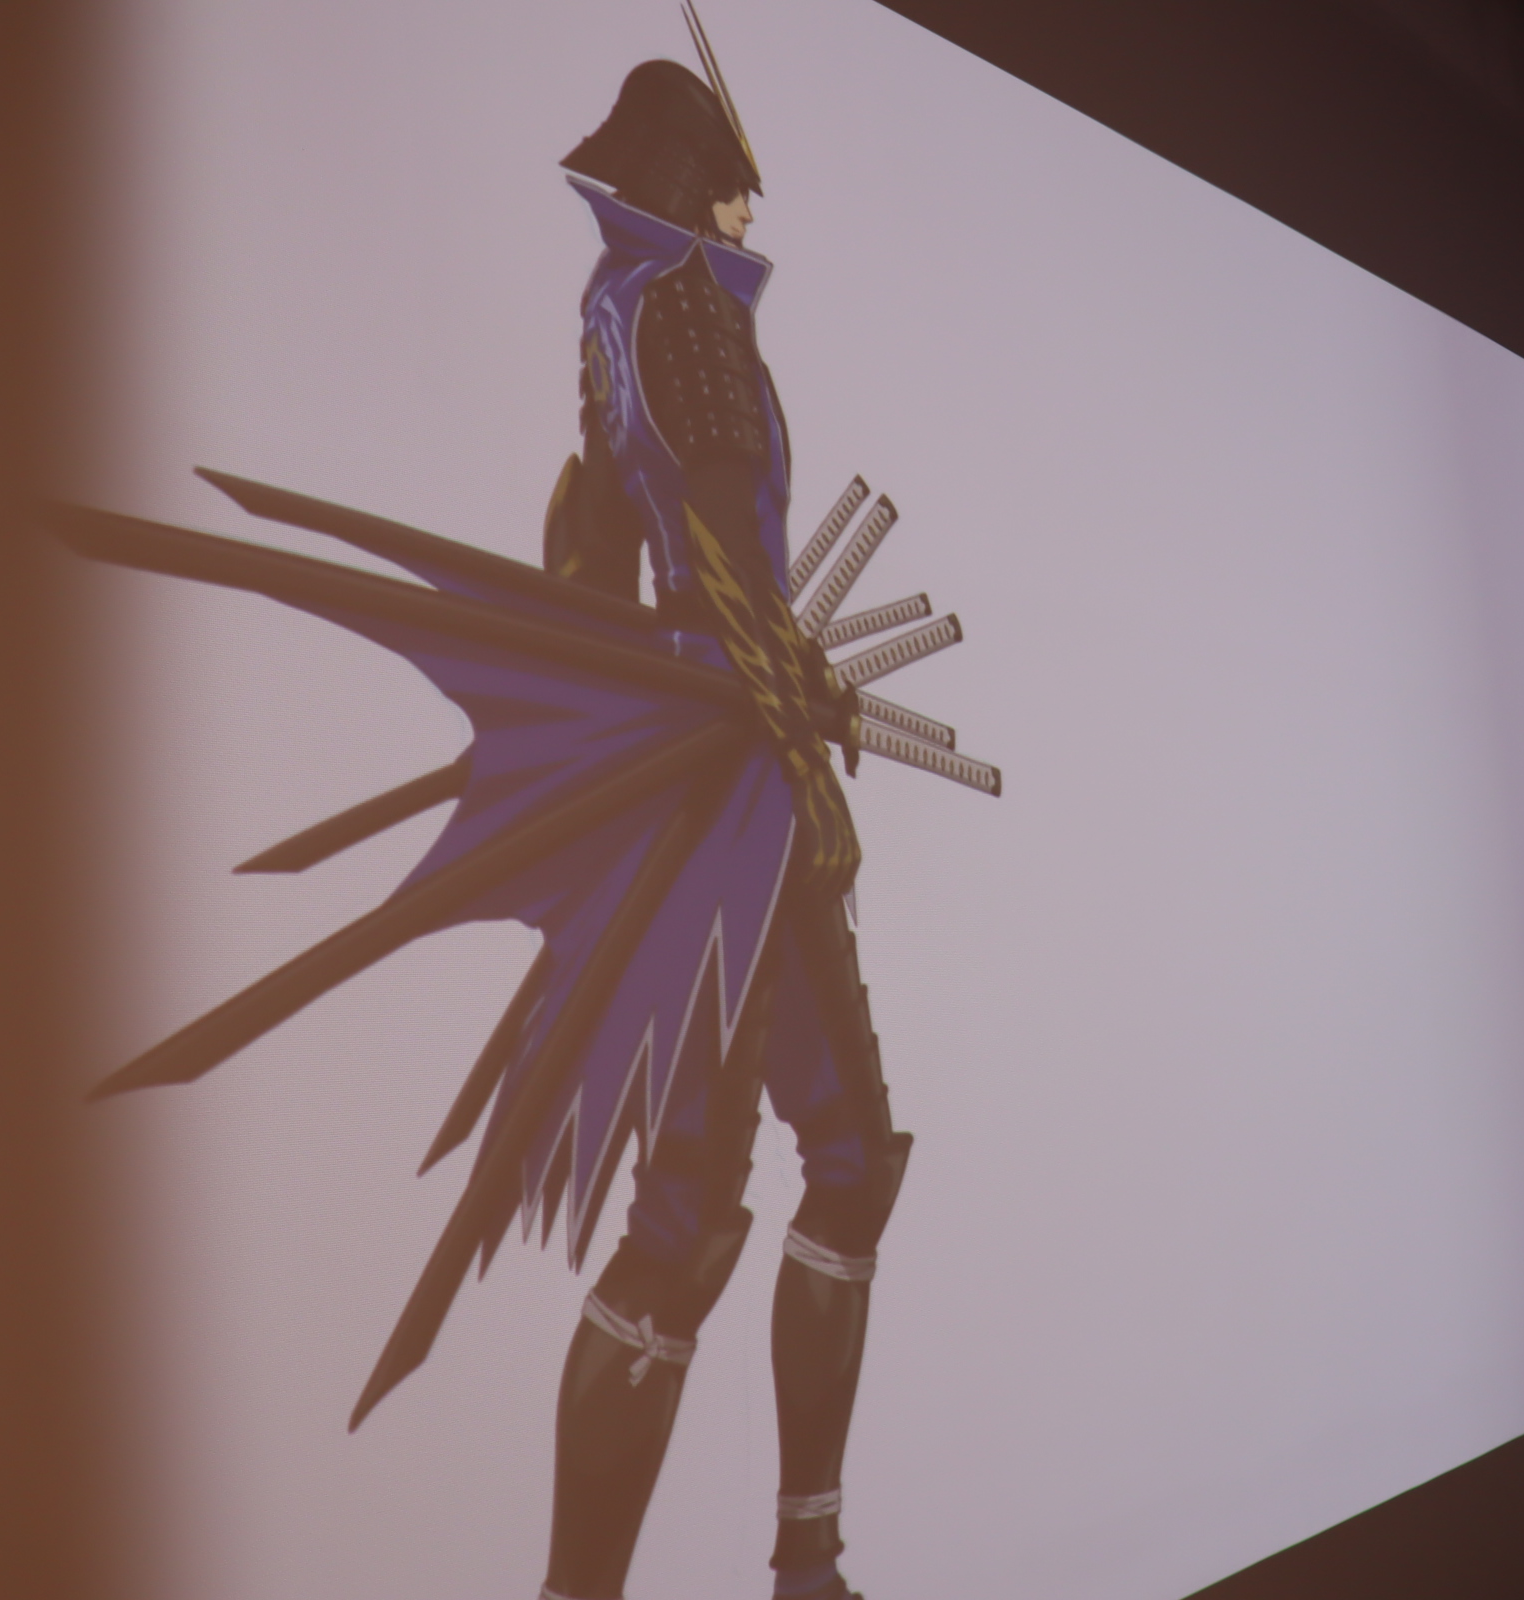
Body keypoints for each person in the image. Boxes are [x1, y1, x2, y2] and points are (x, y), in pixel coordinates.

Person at [535, 57, 905, 1600]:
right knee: (692, 1212)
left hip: (696, 757)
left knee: (839, 1159)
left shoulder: (615, 308)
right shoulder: (682, 305)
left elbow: (586, 547)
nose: (751, 210)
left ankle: (805, 1565)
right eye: (735, 185)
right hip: (728, 773)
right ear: (692, 185)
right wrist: (786, 717)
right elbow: (712, 537)